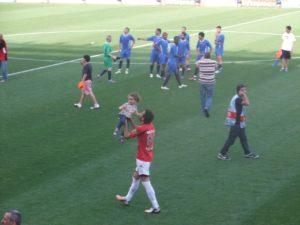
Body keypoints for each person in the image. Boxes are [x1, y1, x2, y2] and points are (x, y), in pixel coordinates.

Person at [116, 110, 161, 214]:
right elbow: (138, 128)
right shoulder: (150, 126)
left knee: (146, 182)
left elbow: (127, 135)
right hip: (147, 156)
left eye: (142, 113)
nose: (140, 113)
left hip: (142, 158)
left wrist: (126, 122)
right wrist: (131, 119)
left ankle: (156, 207)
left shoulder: (142, 128)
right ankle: (127, 198)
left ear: (143, 118)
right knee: (136, 177)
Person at [217, 84, 259, 160]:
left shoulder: (236, 97)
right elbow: (247, 103)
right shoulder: (238, 99)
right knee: (231, 140)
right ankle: (222, 154)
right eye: (243, 90)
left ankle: (248, 153)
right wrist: (244, 95)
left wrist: (243, 94)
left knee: (243, 138)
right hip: (236, 123)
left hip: (239, 123)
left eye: (245, 90)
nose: (245, 91)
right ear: (239, 90)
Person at [196, 52, 216, 118]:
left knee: (202, 96)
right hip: (211, 82)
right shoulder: (214, 62)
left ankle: (203, 110)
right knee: (210, 96)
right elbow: (217, 67)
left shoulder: (200, 62)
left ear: (204, 56)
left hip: (202, 81)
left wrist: (202, 58)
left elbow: (196, 65)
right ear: (210, 56)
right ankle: (207, 107)